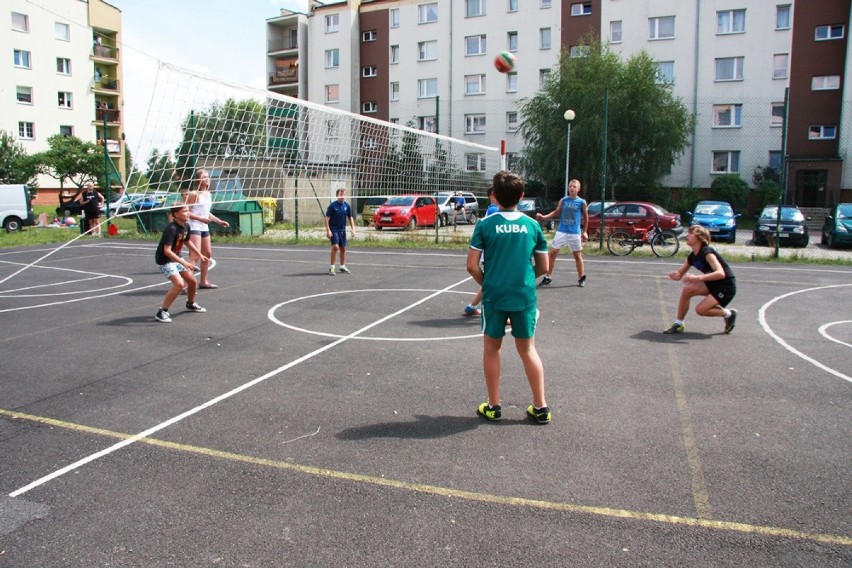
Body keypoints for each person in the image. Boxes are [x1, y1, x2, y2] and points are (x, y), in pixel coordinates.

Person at [467, 171, 551, 424]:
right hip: (523, 294)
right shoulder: (532, 225)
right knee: (527, 349)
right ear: (522, 197)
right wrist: (522, 279)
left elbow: (472, 266)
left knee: (492, 350)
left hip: (495, 296)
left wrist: (491, 283)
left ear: (493, 196)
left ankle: (494, 406)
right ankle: (541, 408)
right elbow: (544, 267)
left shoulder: (485, 225)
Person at [663, 225, 737, 335]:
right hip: (712, 282)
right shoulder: (692, 256)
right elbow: (679, 274)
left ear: (699, 237)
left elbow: (720, 273)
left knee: (701, 310)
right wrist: (675, 275)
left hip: (725, 286)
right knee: (687, 290)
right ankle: (679, 324)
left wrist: (697, 277)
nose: (687, 235)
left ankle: (729, 314)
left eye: (691, 233)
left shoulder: (707, 253)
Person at [154, 204, 208, 323]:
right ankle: (162, 311)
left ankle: (191, 303)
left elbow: (187, 241)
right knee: (179, 284)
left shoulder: (186, 226)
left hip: (175, 258)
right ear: (176, 214)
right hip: (166, 260)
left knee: (192, 281)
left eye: (188, 211)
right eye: (185, 211)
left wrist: (199, 253)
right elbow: (167, 251)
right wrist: (184, 262)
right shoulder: (171, 229)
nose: (188, 213)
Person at [536, 179, 588, 287]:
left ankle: (581, 277)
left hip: (574, 232)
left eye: (574, 186)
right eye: (570, 186)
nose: (572, 188)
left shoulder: (581, 202)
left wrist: (585, 231)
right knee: (553, 253)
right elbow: (556, 212)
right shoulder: (563, 200)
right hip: (561, 231)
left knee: (577, 255)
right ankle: (548, 277)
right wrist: (543, 217)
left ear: (578, 189)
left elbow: (586, 217)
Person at [184, 169, 229, 289]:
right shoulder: (194, 194)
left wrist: (219, 221)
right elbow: (186, 212)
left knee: (207, 254)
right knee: (195, 256)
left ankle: (203, 281)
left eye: (207, 177)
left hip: (204, 226)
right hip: (194, 225)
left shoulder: (208, 194)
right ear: (198, 180)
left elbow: (206, 213)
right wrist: (200, 219)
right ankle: (185, 285)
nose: (206, 179)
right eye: (203, 177)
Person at [464, 187, 499, 316]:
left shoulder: (493, 209)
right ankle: (494, 311)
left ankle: (471, 306)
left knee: (489, 283)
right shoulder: (494, 209)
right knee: (494, 284)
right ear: (492, 197)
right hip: (491, 254)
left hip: (489, 254)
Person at [324, 188, 356, 275]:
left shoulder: (347, 206)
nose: (343, 196)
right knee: (335, 247)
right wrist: (328, 230)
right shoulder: (332, 206)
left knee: (343, 248)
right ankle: (332, 267)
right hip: (334, 229)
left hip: (342, 230)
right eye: (341, 195)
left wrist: (353, 229)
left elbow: (350, 217)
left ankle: (342, 266)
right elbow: (326, 218)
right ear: (337, 196)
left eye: (344, 195)